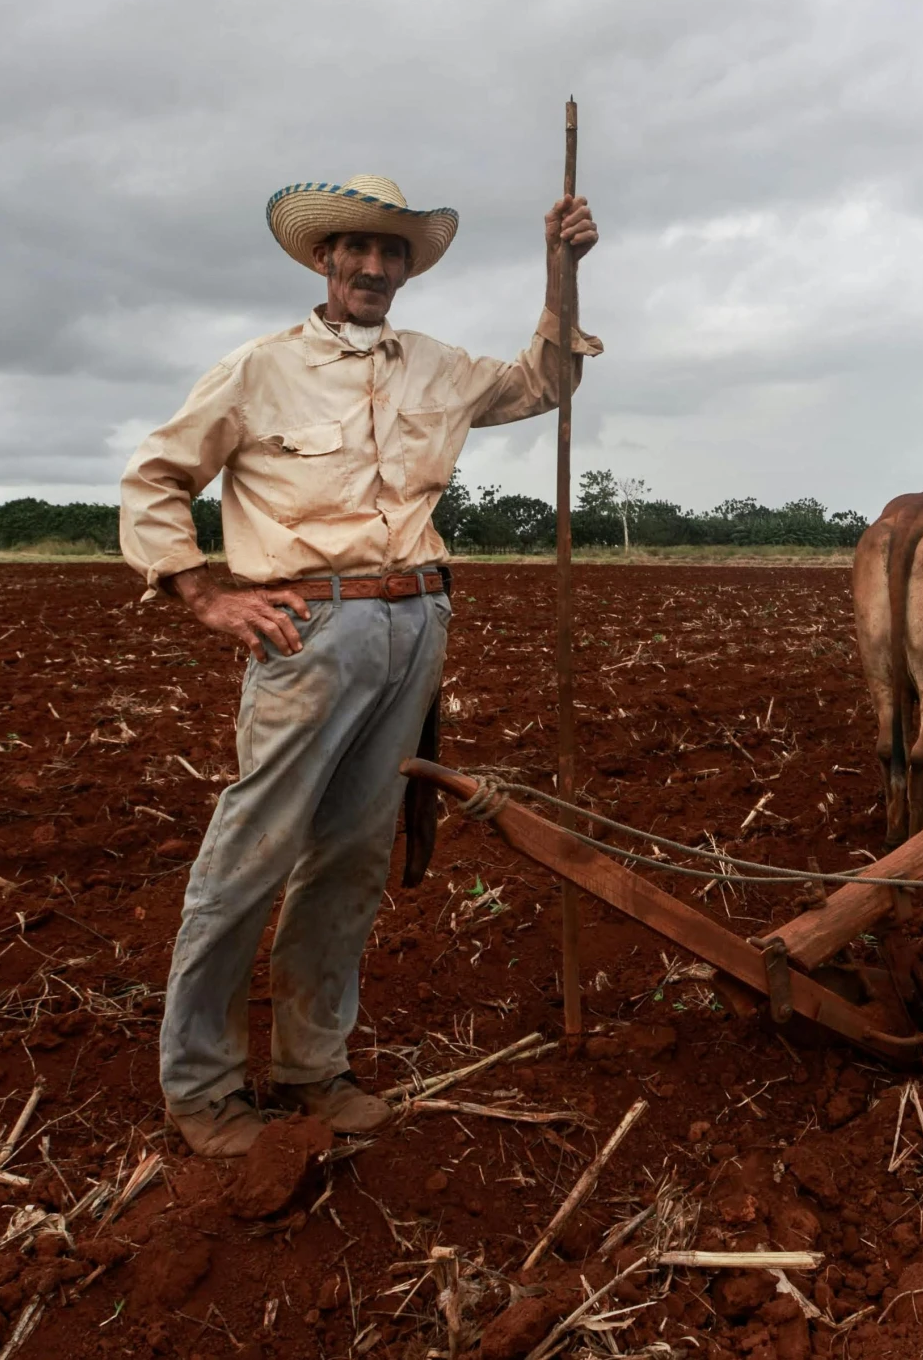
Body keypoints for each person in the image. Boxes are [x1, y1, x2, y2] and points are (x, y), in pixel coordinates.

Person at [119, 173, 599, 1156]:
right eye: (356, 250)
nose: (374, 267)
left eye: (392, 253)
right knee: (250, 855)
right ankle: (203, 1088)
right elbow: (156, 479)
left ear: (405, 269)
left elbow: (546, 381)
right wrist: (204, 593)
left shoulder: (437, 368)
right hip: (310, 633)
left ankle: (311, 1071)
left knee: (350, 860)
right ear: (322, 260)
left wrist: (561, 268)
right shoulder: (257, 371)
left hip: (414, 626)